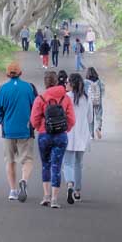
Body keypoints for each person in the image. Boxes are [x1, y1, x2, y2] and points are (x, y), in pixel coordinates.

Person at [30, 71, 75, 208]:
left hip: (44, 135)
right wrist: (65, 129)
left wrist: (40, 128)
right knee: (57, 165)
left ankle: (46, 196)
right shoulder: (65, 98)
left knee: (46, 165)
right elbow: (71, 119)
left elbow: (34, 120)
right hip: (60, 136)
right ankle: (55, 199)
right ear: (56, 82)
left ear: (45, 83)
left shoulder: (40, 98)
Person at [0, 62, 37, 202]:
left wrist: (3, 122)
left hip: (8, 131)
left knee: (10, 161)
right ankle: (23, 180)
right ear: (20, 73)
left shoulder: (1, 89)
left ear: (7, 74)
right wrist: (33, 123)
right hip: (25, 129)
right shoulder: (30, 87)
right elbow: (36, 107)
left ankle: (12, 190)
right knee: (27, 159)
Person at [63, 73, 93, 204]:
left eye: (67, 82)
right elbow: (90, 118)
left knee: (68, 163)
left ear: (72, 84)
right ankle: (77, 191)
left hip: (68, 134)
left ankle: (69, 184)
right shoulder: (86, 98)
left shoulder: (66, 98)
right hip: (82, 134)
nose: (66, 84)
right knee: (79, 164)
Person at [85, 66, 104, 140]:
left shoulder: (85, 81)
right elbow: (102, 91)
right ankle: (98, 127)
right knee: (99, 116)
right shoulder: (98, 81)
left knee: (90, 118)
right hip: (97, 101)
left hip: (89, 102)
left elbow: (84, 93)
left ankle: (91, 135)